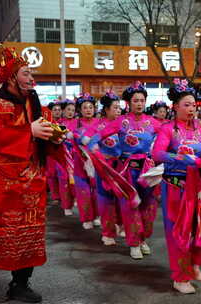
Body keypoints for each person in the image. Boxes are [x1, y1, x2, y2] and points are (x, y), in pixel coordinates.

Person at [0, 45, 64, 304]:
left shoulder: (38, 106)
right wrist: (29, 131)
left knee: (28, 234)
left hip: (32, 183)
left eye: (31, 73)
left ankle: (20, 284)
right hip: (2, 185)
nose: (31, 78)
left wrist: (58, 138)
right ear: (11, 77)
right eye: (26, 73)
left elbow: (47, 139)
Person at [152, 78, 201, 294]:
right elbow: (157, 154)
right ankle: (180, 278)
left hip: (198, 189)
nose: (191, 109)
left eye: (193, 105)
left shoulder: (199, 129)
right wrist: (183, 159)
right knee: (179, 234)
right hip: (175, 188)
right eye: (186, 105)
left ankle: (194, 263)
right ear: (175, 107)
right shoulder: (167, 129)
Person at [85, 81, 161, 259]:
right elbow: (99, 135)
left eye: (142, 100)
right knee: (130, 205)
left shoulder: (153, 122)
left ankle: (143, 239)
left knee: (148, 206)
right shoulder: (121, 121)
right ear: (129, 102)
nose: (140, 104)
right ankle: (134, 242)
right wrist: (91, 144)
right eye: (136, 100)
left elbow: (166, 138)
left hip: (147, 170)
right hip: (127, 169)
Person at [92, 90, 124, 246]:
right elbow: (89, 143)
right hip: (104, 167)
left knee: (123, 198)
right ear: (106, 109)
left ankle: (122, 224)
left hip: (122, 167)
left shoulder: (125, 124)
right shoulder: (98, 126)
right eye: (115, 108)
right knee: (105, 200)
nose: (118, 111)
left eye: (120, 107)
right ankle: (108, 232)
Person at [72, 93, 100, 229]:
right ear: (80, 110)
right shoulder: (74, 124)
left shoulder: (100, 123)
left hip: (97, 162)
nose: (88, 110)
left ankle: (97, 215)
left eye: (90, 107)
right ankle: (86, 218)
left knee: (97, 191)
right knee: (84, 192)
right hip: (80, 162)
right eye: (85, 107)